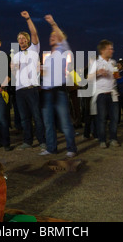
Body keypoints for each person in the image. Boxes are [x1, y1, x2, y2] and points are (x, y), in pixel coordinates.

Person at [39, 14, 78, 156]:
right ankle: (51, 148)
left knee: (65, 121)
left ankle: (71, 148)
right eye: (50, 35)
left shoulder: (63, 48)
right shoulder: (49, 57)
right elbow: (47, 74)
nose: (52, 37)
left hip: (59, 91)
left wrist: (53, 24)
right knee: (48, 122)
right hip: (47, 91)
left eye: (54, 35)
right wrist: (41, 70)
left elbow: (60, 36)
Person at [11, 11, 46, 150]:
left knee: (36, 116)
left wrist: (28, 19)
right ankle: (27, 141)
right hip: (19, 90)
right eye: (19, 38)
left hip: (31, 88)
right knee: (24, 117)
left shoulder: (34, 49)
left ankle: (42, 140)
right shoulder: (15, 56)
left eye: (23, 38)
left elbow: (34, 33)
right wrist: (13, 68)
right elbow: (14, 73)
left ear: (28, 40)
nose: (21, 40)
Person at [87, 39, 120, 148]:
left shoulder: (113, 62)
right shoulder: (95, 63)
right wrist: (98, 72)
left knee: (114, 118)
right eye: (110, 49)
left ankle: (113, 139)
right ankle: (102, 140)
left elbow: (116, 76)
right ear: (102, 50)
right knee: (101, 119)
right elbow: (88, 78)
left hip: (112, 93)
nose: (112, 51)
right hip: (101, 94)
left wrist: (117, 75)